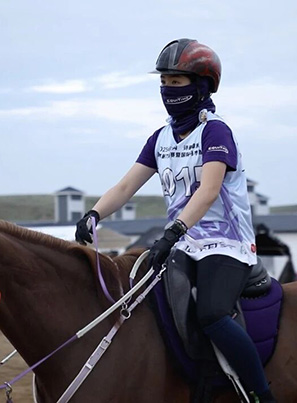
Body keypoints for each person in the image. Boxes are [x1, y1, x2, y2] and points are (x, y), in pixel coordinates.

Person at [75, 38, 276, 403]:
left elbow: (209, 190)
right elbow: (126, 186)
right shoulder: (161, 137)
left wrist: (174, 230)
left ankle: (262, 394)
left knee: (212, 314)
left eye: (176, 81)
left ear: (201, 86)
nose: (168, 89)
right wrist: (94, 213)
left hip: (225, 243)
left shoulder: (216, 132)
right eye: (164, 81)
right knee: (147, 306)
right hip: (182, 243)